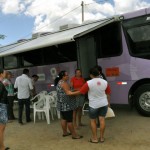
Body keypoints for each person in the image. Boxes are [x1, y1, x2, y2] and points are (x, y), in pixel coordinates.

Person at [68, 67, 111, 143]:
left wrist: (71, 93)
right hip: (103, 104)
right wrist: (108, 104)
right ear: (99, 73)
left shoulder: (89, 83)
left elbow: (81, 92)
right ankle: (102, 138)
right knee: (102, 120)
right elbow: (108, 93)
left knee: (93, 121)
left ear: (91, 75)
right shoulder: (105, 82)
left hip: (93, 105)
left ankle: (94, 138)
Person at [55, 70, 83, 139]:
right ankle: (74, 135)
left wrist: (75, 90)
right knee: (70, 120)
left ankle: (65, 132)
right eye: (66, 75)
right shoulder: (64, 83)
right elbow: (68, 93)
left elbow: (66, 92)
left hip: (61, 104)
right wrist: (79, 92)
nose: (68, 76)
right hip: (66, 105)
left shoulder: (60, 82)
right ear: (63, 76)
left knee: (64, 118)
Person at [0, 68, 10, 150]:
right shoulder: (0, 84)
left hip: (2, 105)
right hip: (1, 106)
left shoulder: (2, 83)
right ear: (1, 74)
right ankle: (2, 147)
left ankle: (2, 146)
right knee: (1, 128)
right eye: (4, 73)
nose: (5, 74)